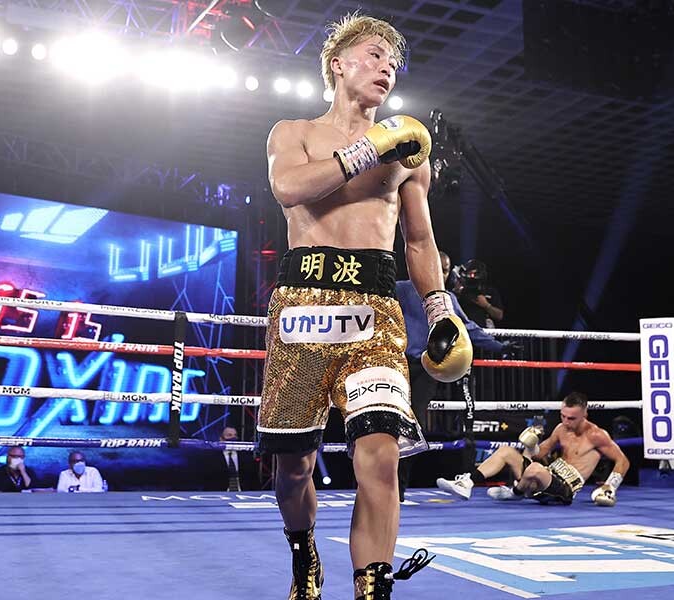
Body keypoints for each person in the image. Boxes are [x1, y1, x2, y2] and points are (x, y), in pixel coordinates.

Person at [258, 13, 471, 599]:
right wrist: (364, 150)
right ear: (338, 64)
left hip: (375, 311)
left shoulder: (407, 153)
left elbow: (419, 241)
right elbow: (289, 188)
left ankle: (371, 588)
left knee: (380, 455)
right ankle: (304, 552)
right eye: (375, 55)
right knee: (293, 467)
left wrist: (440, 309)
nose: (386, 68)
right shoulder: (293, 131)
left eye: (393, 63)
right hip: (302, 307)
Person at [395, 250, 518, 501]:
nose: (441, 274)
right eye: (437, 268)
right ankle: (373, 484)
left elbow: (467, 328)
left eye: (445, 269)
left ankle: (398, 489)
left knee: (412, 425)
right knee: (384, 422)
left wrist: (500, 347)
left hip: (427, 369)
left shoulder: (447, 298)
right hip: (397, 364)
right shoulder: (402, 289)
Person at [437, 392, 630, 506]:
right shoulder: (561, 429)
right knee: (506, 451)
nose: (566, 421)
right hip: (542, 478)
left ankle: (516, 492)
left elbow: (623, 461)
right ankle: (467, 483)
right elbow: (539, 454)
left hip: (563, 491)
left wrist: (610, 486)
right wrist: (531, 444)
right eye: (563, 416)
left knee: (535, 469)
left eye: (571, 418)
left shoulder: (596, 435)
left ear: (584, 414)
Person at [201, 427, 254, 491]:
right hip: (220, 493)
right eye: (229, 435)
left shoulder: (245, 456)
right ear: (221, 439)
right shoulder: (211, 458)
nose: (233, 438)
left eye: (235, 435)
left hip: (243, 493)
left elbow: (253, 479)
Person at [455, 259, 504, 328]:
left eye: (474, 274)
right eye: (469, 274)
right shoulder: (460, 292)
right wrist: (456, 294)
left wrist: (486, 305)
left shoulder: (490, 291)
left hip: (484, 330)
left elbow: (499, 316)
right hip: (465, 329)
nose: (472, 277)